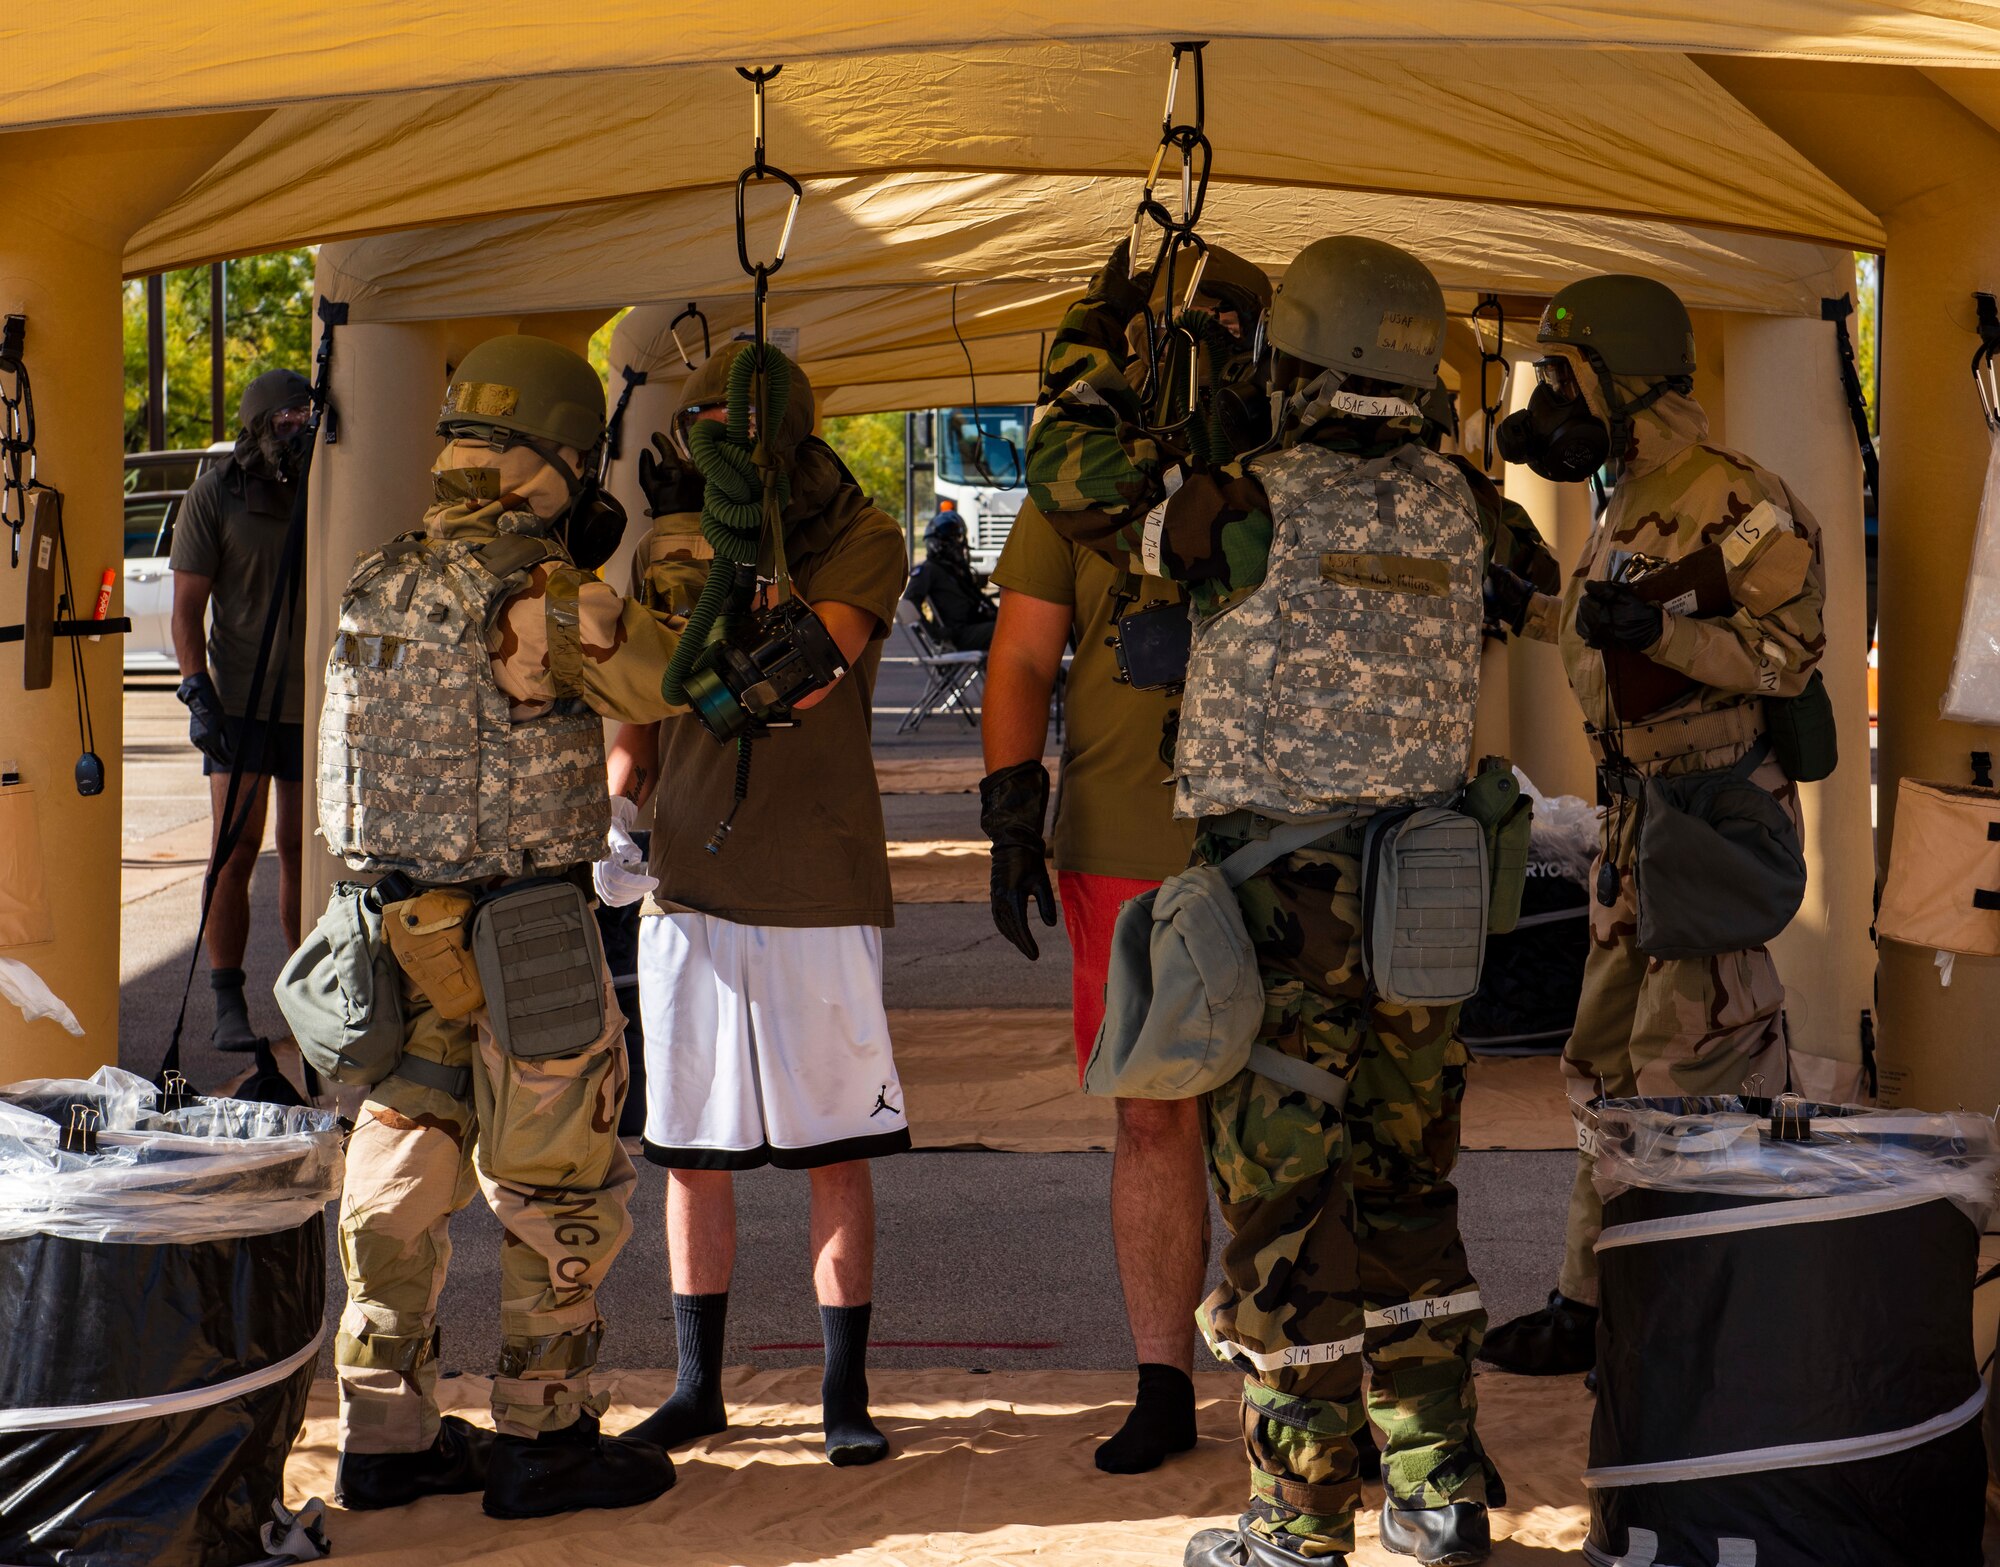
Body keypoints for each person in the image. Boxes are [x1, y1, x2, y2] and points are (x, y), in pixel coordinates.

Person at [1027, 234, 1502, 1567]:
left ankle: (1298, 1518)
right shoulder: (1473, 508)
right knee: (1410, 1191)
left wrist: (1093, 346)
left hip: (1278, 903)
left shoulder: (1231, 501)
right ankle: (1440, 1484)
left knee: (1288, 1216)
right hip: (1425, 896)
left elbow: (1069, 477)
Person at [324, 334, 684, 1519]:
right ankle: (545, 1441)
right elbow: (663, 682)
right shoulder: (534, 589)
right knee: (560, 1186)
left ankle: (383, 1437)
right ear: (557, 460)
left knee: (398, 1180)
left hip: (398, 933)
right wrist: (676, 559)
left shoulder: (381, 573)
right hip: (526, 935)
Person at [1479, 275, 1830, 1376]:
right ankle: (1591, 1299)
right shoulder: (1622, 500)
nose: (1544, 408)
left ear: (1615, 384)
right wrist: (1530, 610)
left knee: (1697, 1073)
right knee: (1605, 1071)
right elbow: (1606, 641)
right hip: (1634, 838)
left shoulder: (1740, 505)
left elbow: (1787, 659)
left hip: (1706, 825)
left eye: (1560, 381)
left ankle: (1704, 1320)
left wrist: (1664, 641)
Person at [977, 244, 1273, 1479]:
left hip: (1277, 838)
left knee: (1285, 1121)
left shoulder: (1283, 476)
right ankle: (1163, 1377)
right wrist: (1008, 808)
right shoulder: (1071, 487)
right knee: (1155, 1121)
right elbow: (1022, 661)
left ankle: (1296, 1371)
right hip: (1124, 844)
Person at [601, 342, 911, 1468]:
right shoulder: (669, 546)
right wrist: (617, 811)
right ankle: (697, 1384)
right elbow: (638, 706)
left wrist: (730, 576)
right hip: (686, 873)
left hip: (817, 876)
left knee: (836, 1145)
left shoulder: (860, 534)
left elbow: (807, 660)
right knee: (690, 1147)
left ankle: (844, 1387)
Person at [170, 368, 312, 1054]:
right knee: (235, 849)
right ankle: (227, 998)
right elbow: (187, 609)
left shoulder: (321, 487)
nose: (297, 428)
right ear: (256, 424)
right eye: (284, 417)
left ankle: (310, 998)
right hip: (240, 701)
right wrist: (198, 692)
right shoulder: (214, 494)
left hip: (311, 703)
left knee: (304, 852)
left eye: (305, 416)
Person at [904, 508, 997, 650]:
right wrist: (934, 633)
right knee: (1007, 632)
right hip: (958, 634)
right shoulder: (929, 570)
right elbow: (909, 601)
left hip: (971, 626)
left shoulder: (954, 570)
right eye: (956, 539)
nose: (960, 546)